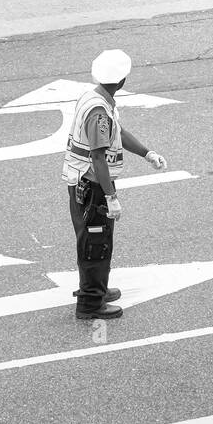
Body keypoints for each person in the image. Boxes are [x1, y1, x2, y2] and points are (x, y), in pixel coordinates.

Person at [62, 49, 167, 320]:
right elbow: (98, 156)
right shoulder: (99, 111)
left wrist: (147, 153)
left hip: (85, 182)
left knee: (93, 239)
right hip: (93, 186)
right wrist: (111, 197)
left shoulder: (94, 97)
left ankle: (96, 288)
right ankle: (90, 304)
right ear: (122, 81)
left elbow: (118, 133)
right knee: (95, 242)